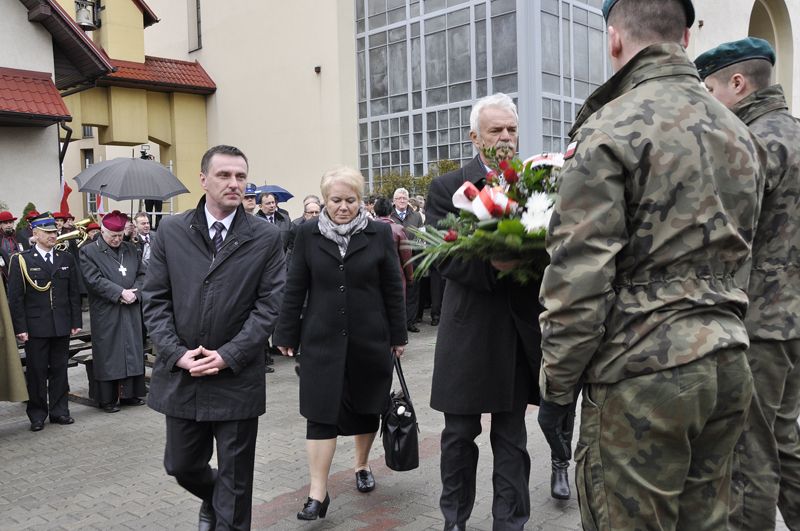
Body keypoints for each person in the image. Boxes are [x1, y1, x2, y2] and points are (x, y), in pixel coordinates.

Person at [536, 1, 765, 529]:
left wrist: (557, 388)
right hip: (728, 361)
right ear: (686, 37)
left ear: (614, 38)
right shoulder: (739, 132)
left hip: (643, 372)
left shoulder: (609, 128)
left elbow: (579, 277)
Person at [142, 145, 286, 530]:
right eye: (224, 175)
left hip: (236, 377)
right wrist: (176, 353)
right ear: (203, 179)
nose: (234, 183)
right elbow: (155, 299)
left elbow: (269, 306)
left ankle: (224, 508)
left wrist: (229, 355)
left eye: (241, 176)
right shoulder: (172, 231)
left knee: (236, 484)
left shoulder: (264, 236)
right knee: (181, 464)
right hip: (184, 374)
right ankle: (212, 497)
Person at [426, 93, 545, 530]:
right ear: (475, 137)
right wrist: (496, 265)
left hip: (516, 332)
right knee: (459, 436)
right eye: (496, 130)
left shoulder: (536, 185)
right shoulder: (448, 188)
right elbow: (444, 256)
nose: (506, 138)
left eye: (512, 129)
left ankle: (510, 523)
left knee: (512, 438)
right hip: (468, 333)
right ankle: (454, 519)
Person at [696, 37, 800, 530]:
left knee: (749, 455)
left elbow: (722, 234)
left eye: (711, 90)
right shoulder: (794, 132)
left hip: (758, 324)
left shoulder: (752, 143)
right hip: (792, 321)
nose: (710, 102)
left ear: (737, 83)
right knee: (785, 441)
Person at [273, 166, 407, 521]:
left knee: (367, 406)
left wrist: (398, 335)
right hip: (321, 339)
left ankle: (362, 465)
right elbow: (295, 286)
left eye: (350, 200)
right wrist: (285, 333)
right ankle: (317, 493)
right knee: (319, 412)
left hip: (370, 338)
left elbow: (393, 287)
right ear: (324, 200)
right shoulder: (307, 234)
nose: (343, 207)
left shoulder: (379, 233)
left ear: (361, 200)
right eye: (336, 200)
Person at [6, 213, 82, 431]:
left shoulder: (65, 258)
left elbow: (73, 293)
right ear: (35, 233)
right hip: (36, 326)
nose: (53, 236)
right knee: (37, 372)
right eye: (47, 232)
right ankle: (37, 414)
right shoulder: (21, 260)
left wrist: (76, 321)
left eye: (54, 232)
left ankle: (60, 411)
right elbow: (16, 298)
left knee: (60, 370)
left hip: (61, 324)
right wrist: (20, 327)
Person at [80, 210, 147, 413]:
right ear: (103, 231)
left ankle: (130, 394)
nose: (117, 239)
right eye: (113, 236)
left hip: (131, 308)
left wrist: (136, 292)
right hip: (107, 310)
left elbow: (143, 274)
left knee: (132, 350)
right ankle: (108, 398)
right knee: (110, 353)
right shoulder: (89, 251)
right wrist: (119, 292)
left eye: (120, 235)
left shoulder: (131, 249)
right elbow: (93, 279)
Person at [391, 188, 423, 333]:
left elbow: (422, 236)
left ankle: (410, 321)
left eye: (405, 198)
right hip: (394, 258)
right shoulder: (390, 215)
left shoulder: (416, 216)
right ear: (394, 201)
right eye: (399, 198)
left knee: (413, 290)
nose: (402, 201)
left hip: (413, 257)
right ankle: (398, 322)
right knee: (396, 290)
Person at [374, 197, 413, 290]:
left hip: (373, 276)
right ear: (391, 212)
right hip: (395, 275)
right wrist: (410, 277)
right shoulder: (398, 229)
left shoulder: (368, 229)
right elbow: (406, 255)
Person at [0, 211, 22, 285]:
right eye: (5, 223)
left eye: (10, 222)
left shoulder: (19, 236)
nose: (9, 225)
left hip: (19, 271)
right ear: (0, 225)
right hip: (3, 274)